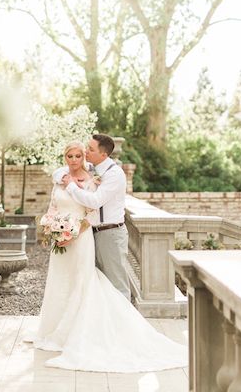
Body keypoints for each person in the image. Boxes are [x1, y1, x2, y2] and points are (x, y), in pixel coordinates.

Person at [25, 140, 187, 372]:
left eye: (84, 153)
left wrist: (71, 231)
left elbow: (92, 206)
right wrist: (52, 227)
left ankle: (122, 333)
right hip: (74, 238)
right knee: (69, 282)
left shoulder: (109, 176)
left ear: (98, 154)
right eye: (71, 156)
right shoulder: (77, 174)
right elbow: (56, 193)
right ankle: (63, 328)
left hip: (93, 235)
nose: (78, 158)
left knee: (104, 283)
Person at [52, 133, 130, 300]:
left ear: (104, 154)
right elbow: (61, 170)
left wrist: (72, 186)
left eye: (90, 149)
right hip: (92, 233)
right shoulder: (93, 168)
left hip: (110, 233)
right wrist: (64, 177)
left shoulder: (114, 174)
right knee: (96, 283)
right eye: (86, 148)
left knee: (117, 284)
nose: (86, 152)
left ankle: (124, 324)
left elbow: (94, 202)